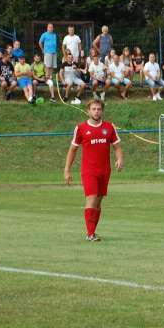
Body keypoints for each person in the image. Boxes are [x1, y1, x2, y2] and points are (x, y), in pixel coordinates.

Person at [64, 99, 124, 241]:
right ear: (88, 111)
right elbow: (72, 150)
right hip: (89, 171)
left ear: (102, 111)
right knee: (91, 198)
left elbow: (117, 147)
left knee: (98, 202)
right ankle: (90, 234)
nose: (96, 111)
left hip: (105, 171)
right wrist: (67, 170)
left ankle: (92, 232)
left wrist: (120, 159)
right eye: (94, 109)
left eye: (99, 109)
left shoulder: (109, 127)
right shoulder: (81, 128)